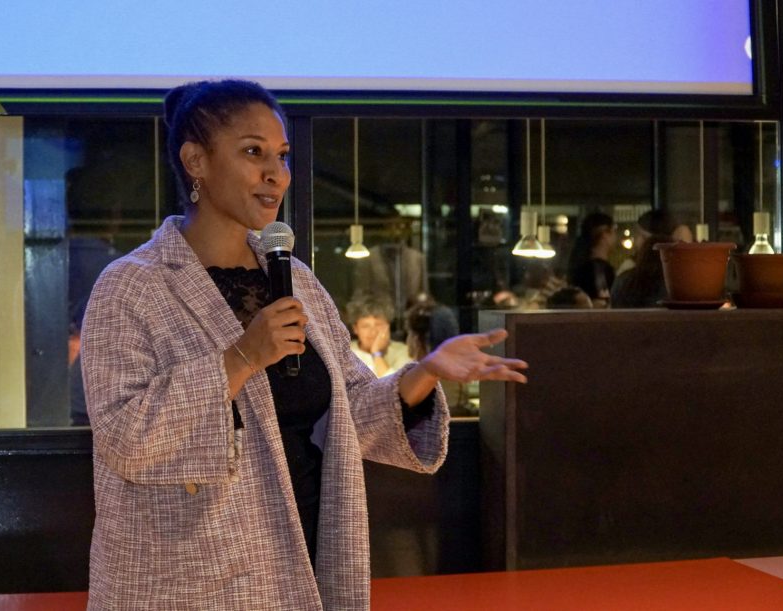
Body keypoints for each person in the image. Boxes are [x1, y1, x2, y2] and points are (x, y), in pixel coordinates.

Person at [81, 79, 528, 610]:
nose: (276, 174)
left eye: (283, 156)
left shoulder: (293, 278)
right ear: (195, 161)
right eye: (253, 152)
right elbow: (125, 440)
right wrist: (242, 356)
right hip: (190, 581)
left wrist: (424, 371)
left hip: (307, 561)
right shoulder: (133, 284)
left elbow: (350, 415)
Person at [346, 293, 412, 377]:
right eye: (365, 326)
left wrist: (376, 354)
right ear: (355, 329)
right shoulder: (346, 352)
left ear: (388, 326)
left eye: (378, 324)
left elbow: (395, 387)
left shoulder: (402, 351)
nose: (373, 332)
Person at [568, 212, 616, 307]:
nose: (615, 236)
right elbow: (604, 302)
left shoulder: (580, 267)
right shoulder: (599, 270)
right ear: (605, 235)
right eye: (614, 230)